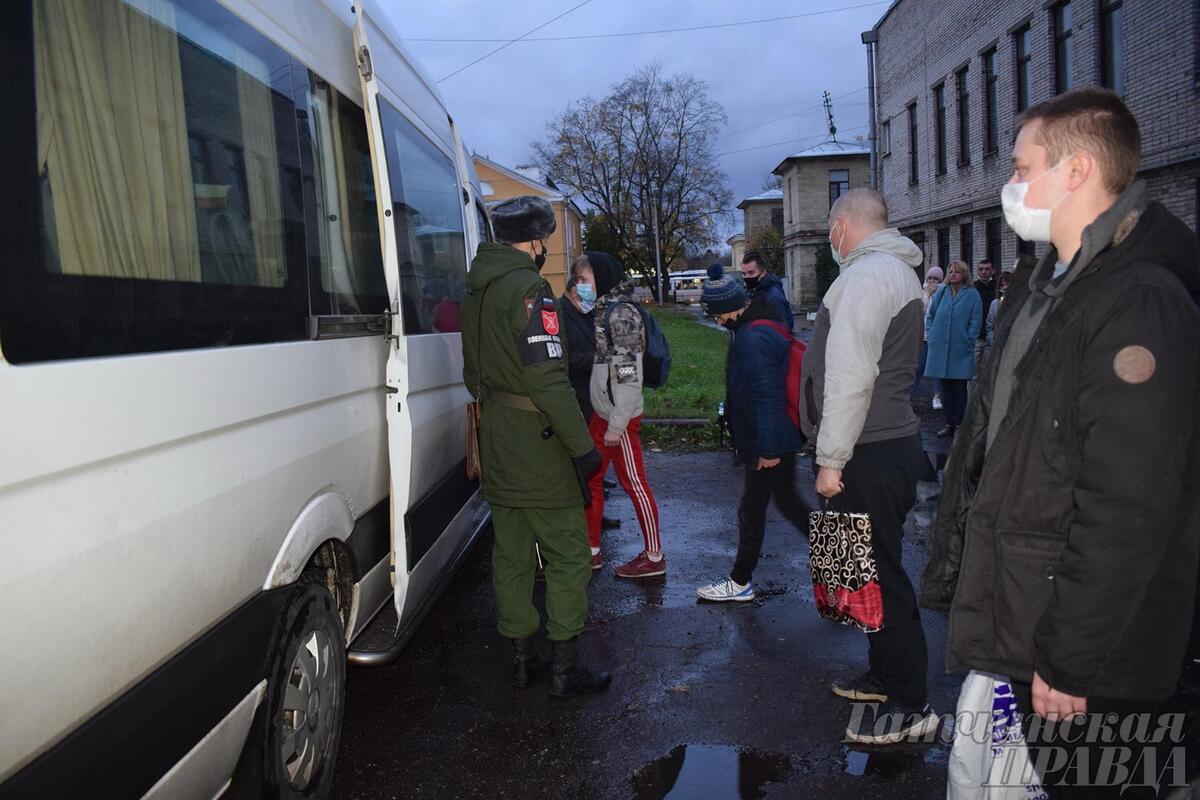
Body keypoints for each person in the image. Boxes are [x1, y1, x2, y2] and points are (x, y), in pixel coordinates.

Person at [921, 88, 1200, 797]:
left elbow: (1128, 506)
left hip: (1079, 655)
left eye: (1021, 168)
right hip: (1020, 623)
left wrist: (1072, 657)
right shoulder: (1047, 282)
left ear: (1076, 171)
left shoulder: (1139, 298)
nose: (1010, 186)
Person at [459, 195, 611, 697]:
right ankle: (565, 667)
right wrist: (579, 446)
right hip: (537, 442)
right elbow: (548, 380)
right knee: (568, 554)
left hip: (496, 436)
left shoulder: (476, 287)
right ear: (536, 240)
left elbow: (470, 372)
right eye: (544, 239)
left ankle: (523, 661)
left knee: (512, 555)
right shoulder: (529, 289)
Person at [801, 187, 937, 744]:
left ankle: (910, 703)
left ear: (841, 226)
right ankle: (885, 675)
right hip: (881, 444)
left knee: (880, 573)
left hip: (868, 449)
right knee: (862, 569)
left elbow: (851, 377)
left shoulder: (863, 277)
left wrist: (831, 460)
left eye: (832, 229)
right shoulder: (892, 271)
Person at [694, 277, 812, 602]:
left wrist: (768, 449)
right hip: (780, 435)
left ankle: (739, 581)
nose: (715, 320)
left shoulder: (751, 337)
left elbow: (766, 394)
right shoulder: (760, 323)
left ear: (730, 308)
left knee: (752, 510)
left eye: (716, 313)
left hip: (771, 441)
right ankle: (837, 557)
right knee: (789, 502)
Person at [576, 251, 667, 578]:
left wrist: (617, 425)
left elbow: (629, 377)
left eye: (584, 280)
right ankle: (592, 551)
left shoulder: (622, 316)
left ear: (601, 278)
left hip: (619, 421)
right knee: (591, 481)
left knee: (635, 485)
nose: (580, 286)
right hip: (603, 416)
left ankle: (654, 556)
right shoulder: (605, 311)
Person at [561, 262, 622, 537]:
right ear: (573, 289)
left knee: (593, 462)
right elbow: (564, 358)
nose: (588, 296)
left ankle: (596, 513)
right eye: (584, 287)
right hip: (576, 397)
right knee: (579, 464)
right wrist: (599, 360)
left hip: (593, 396)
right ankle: (583, 520)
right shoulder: (560, 314)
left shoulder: (588, 313)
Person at [923, 260, 982, 438]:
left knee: (959, 388)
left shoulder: (972, 294)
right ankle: (949, 422)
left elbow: (976, 319)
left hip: (960, 347)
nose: (953, 274)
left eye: (956, 272)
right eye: (950, 271)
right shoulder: (942, 292)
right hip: (941, 346)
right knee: (946, 389)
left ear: (964, 274)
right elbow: (931, 315)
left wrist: (969, 338)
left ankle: (960, 424)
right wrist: (931, 334)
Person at [911, 266, 943, 402]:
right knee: (919, 367)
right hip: (923, 336)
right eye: (930, 278)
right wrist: (927, 296)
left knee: (937, 368)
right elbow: (920, 312)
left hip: (937, 336)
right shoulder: (922, 292)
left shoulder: (943, 293)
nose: (932, 281)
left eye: (935, 278)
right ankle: (910, 395)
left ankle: (937, 395)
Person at [740, 251, 794, 331]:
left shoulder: (774, 296)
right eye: (744, 274)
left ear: (763, 273)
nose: (747, 277)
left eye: (751, 273)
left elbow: (784, 329)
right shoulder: (750, 291)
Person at [970, 258, 996, 382]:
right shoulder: (972, 288)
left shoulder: (997, 288)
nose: (984, 272)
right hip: (975, 338)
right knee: (971, 374)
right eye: (981, 269)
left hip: (991, 338)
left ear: (993, 271)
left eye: (987, 269)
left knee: (988, 375)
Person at [982, 270, 1013, 354]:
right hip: (997, 346)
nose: (1004, 287)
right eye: (1002, 285)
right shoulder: (995, 304)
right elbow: (990, 326)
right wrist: (993, 343)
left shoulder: (1019, 302)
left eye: (1007, 284)